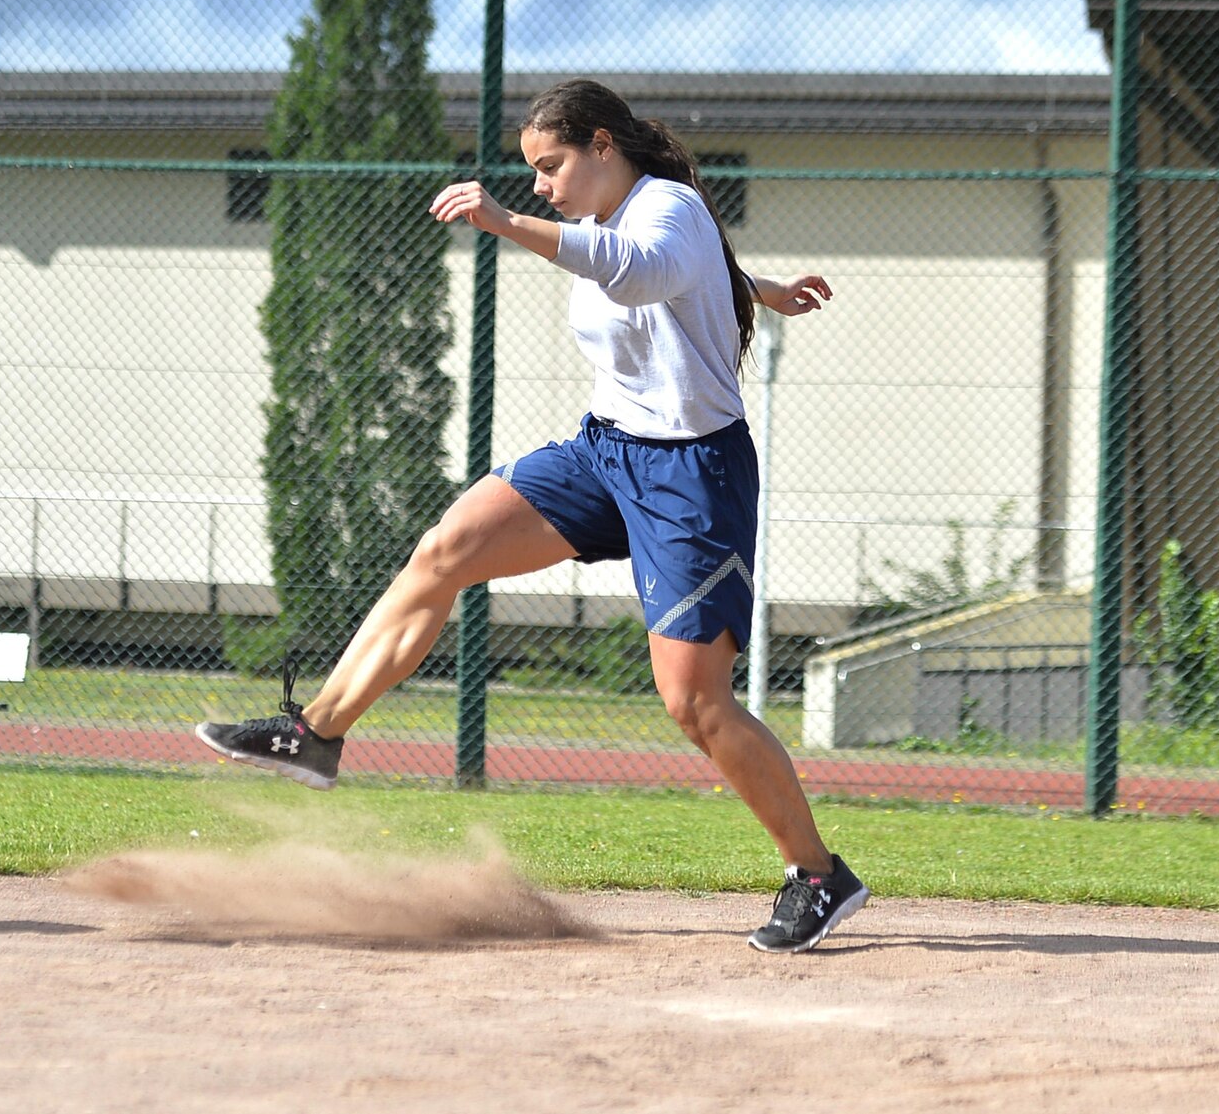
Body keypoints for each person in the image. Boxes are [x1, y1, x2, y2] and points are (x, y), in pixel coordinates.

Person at [197, 78, 868, 953]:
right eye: (533, 176)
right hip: (605, 451)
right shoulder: (606, 220)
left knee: (694, 702)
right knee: (443, 550)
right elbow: (678, 270)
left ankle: (819, 874)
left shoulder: (669, 208)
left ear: (600, 145)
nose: (542, 184)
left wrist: (507, 221)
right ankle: (315, 733)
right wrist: (763, 286)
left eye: (550, 166)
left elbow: (650, 268)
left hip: (691, 473)